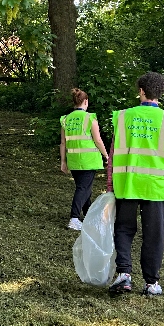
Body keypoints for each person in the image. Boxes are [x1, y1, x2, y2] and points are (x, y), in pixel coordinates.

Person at [106, 72, 164, 296]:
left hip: (127, 183)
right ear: (160, 93)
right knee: (154, 234)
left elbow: (113, 154)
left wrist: (110, 183)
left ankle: (124, 274)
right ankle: (151, 283)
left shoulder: (123, 117)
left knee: (123, 229)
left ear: (141, 91)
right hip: (156, 186)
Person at [60, 88, 109, 231]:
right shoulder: (90, 118)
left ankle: (88, 216)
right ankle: (74, 218)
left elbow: (63, 142)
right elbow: (98, 140)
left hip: (73, 160)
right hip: (88, 160)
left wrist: (63, 161)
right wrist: (106, 156)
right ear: (86, 101)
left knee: (84, 188)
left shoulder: (65, 119)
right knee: (83, 188)